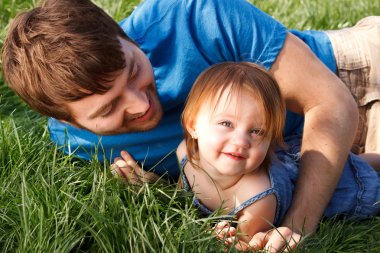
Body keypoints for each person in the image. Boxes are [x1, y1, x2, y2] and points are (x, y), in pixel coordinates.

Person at [2, 0, 380, 250]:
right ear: (70, 121)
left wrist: (297, 225)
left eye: (134, 70)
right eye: (109, 108)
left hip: (354, 71)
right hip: (309, 150)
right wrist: (152, 186)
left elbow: (329, 103)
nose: (141, 102)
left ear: (125, 36)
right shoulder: (75, 142)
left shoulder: (194, 13)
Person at [176, 61, 380, 251]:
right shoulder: (185, 154)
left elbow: (244, 243)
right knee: (353, 163)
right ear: (193, 126)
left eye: (257, 131)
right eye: (226, 124)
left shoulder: (258, 198)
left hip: (339, 187)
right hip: (293, 161)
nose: (240, 141)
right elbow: (182, 193)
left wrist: (220, 237)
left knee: (361, 179)